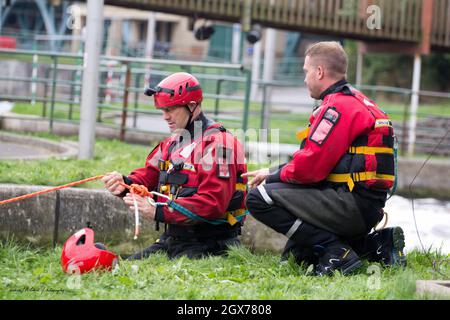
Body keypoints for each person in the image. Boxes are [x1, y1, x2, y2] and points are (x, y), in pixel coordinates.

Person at [244, 41, 406, 276]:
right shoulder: (359, 102)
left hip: (350, 205)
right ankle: (378, 244)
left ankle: (336, 252)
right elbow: (316, 163)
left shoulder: (337, 108)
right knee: (297, 256)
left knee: (259, 198)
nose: (305, 78)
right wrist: (272, 172)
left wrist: (271, 176)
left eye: (306, 71)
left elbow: (310, 170)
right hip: (365, 205)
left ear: (319, 72)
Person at [103, 72, 247, 259]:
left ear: (192, 106)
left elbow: (212, 204)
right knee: (120, 269)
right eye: (162, 110)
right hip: (172, 239)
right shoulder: (172, 142)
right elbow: (149, 176)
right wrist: (124, 184)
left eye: (170, 109)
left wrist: (157, 211)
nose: (165, 117)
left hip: (212, 245)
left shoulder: (220, 145)